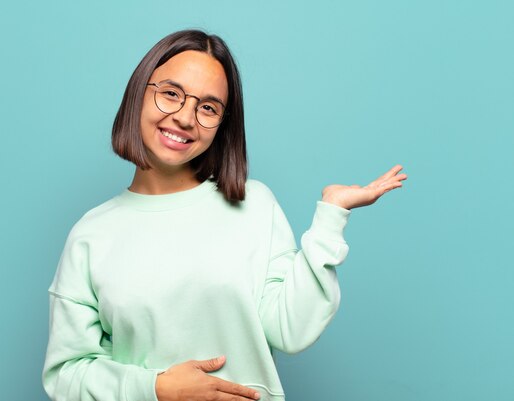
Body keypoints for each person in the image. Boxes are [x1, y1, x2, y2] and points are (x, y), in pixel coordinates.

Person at [42, 29, 408, 401]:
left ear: (221, 125)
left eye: (208, 107)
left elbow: (290, 329)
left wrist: (331, 216)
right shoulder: (91, 234)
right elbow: (66, 375)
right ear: (140, 92)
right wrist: (156, 389)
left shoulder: (254, 205)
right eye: (171, 93)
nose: (185, 117)